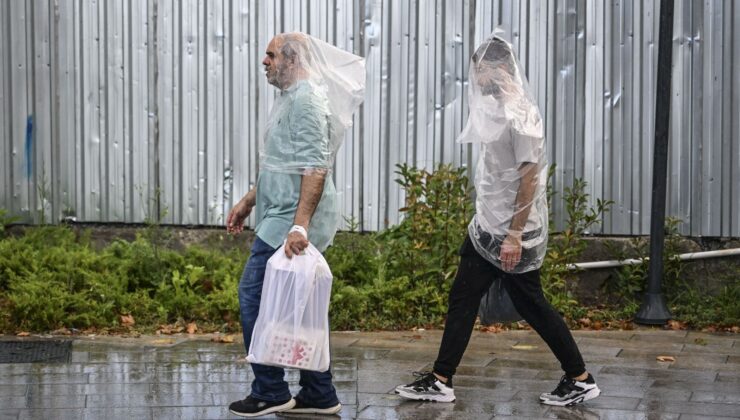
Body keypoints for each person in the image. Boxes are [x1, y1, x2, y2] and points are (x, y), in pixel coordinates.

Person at [395, 34, 600, 407]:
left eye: (481, 68)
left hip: (510, 231)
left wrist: (514, 235)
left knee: (532, 305)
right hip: (488, 228)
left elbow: (529, 177)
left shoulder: (521, 114)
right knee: (464, 297)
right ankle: (441, 378)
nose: (476, 77)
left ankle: (580, 377)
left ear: (501, 68)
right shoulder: (497, 108)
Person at [225, 32, 365, 418]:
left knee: (253, 295)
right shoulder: (289, 99)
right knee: (298, 306)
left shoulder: (306, 100)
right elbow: (280, 163)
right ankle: (319, 393)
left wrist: (300, 227)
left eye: (270, 55)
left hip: (291, 220)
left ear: (292, 59)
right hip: (279, 213)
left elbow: (316, 167)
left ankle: (270, 389)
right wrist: (249, 201)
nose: (264, 62)